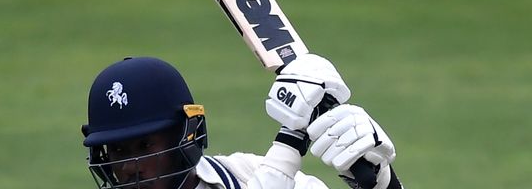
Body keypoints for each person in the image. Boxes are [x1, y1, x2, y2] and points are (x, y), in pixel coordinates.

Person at [82, 55, 401, 189]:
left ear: (185, 136)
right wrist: (290, 140)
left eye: (144, 145)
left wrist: (380, 182)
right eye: (119, 150)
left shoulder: (244, 173)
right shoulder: (265, 176)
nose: (130, 167)